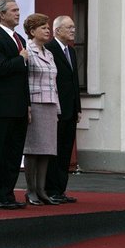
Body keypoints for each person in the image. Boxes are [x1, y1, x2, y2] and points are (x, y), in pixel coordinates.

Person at [0, 0, 30, 210]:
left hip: (19, 107)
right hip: (1, 107)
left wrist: (27, 105)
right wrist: (20, 59)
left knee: (13, 154)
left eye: (18, 10)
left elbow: (24, 78)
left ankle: (8, 195)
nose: (18, 14)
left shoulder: (20, 38)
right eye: (13, 10)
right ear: (1, 14)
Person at [22, 13, 60, 206]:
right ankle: (30, 191)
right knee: (33, 149)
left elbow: (54, 82)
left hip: (50, 104)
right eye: (43, 27)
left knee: (46, 149)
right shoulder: (27, 51)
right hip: (35, 104)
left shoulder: (49, 53)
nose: (47, 30)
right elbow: (23, 81)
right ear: (32, 31)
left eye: (47, 27)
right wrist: (26, 106)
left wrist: (57, 109)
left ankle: (41, 189)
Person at [45, 15, 82, 203]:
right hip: (56, 109)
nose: (73, 30)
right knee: (55, 150)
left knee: (66, 150)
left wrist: (78, 108)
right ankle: (50, 189)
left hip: (71, 110)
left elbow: (75, 81)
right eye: (69, 27)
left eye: (74, 27)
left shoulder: (72, 52)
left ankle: (61, 189)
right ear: (57, 30)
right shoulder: (49, 49)